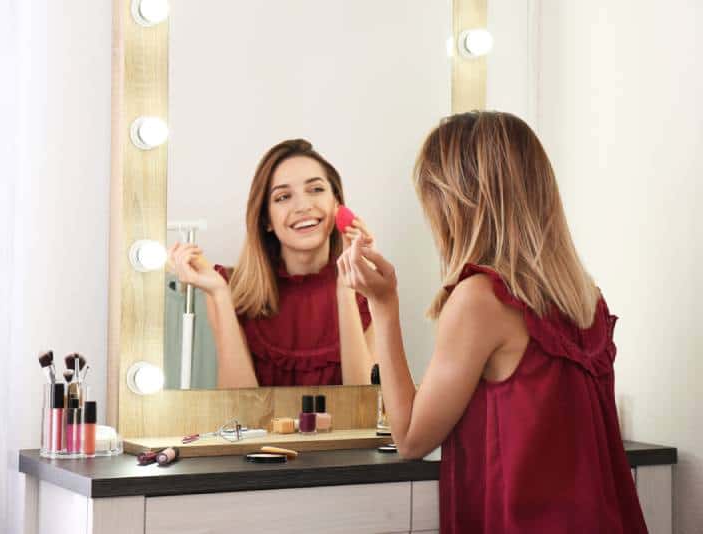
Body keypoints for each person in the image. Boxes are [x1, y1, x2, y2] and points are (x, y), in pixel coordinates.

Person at [341, 111, 647, 532]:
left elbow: (411, 438)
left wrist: (383, 304)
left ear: (458, 202)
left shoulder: (480, 300)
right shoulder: (585, 299)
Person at [170, 139, 375, 388]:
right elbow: (238, 410)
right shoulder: (230, 288)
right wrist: (220, 295)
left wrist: (346, 285)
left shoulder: (368, 286)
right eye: (283, 197)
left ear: (337, 205)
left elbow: (365, 404)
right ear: (266, 219)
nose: (303, 206)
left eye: (316, 189)